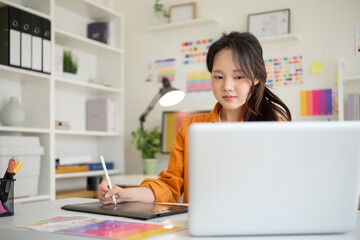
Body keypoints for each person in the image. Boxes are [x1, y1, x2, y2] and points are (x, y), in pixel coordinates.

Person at [97, 31, 292, 205]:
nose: (227, 86)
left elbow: (286, 188)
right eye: (218, 77)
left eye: (238, 77)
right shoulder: (192, 126)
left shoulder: (274, 127)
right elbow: (169, 186)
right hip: (201, 225)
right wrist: (124, 194)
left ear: (256, 78)